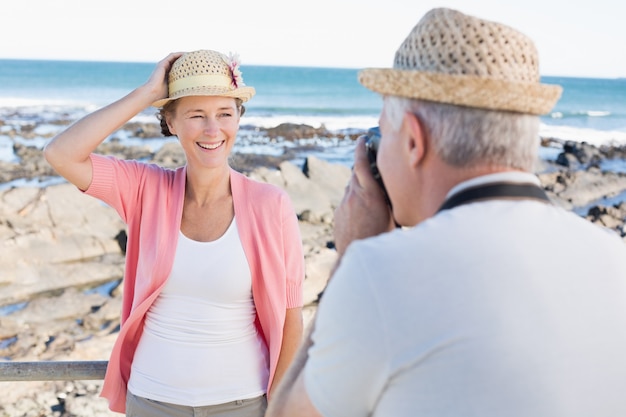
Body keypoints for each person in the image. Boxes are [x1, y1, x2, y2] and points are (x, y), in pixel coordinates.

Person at [266, 7, 626, 417]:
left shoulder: (381, 273)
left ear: (414, 141)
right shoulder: (615, 259)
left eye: (383, 131)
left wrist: (350, 258)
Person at [44, 49, 305, 416]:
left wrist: (279, 406)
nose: (213, 130)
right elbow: (61, 153)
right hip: (151, 401)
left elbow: (292, 317)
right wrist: (148, 93)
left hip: (243, 404)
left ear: (238, 119)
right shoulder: (144, 190)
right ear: (171, 122)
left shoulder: (271, 205)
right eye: (196, 115)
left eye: (225, 114)